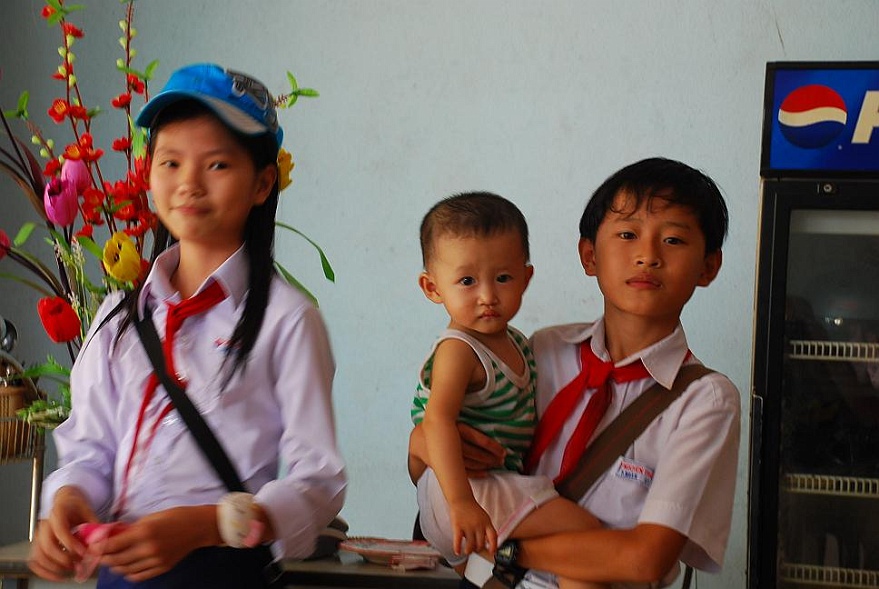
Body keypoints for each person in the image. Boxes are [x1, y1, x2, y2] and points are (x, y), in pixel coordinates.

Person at [29, 63, 346, 588]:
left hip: (223, 572)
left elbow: (320, 480)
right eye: (170, 162)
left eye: (217, 165)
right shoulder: (117, 319)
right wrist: (68, 500)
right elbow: (91, 450)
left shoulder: (287, 321)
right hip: (118, 572)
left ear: (263, 183)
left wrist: (210, 524)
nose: (188, 184)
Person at [409, 158, 741, 588]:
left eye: (674, 239)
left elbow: (643, 560)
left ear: (708, 267)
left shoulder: (705, 400)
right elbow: (426, 459)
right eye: (627, 234)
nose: (647, 256)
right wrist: (423, 442)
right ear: (589, 255)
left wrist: (505, 550)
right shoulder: (541, 352)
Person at [411, 192, 602, 589]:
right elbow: (437, 422)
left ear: (526, 278)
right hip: (467, 492)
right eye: (466, 281)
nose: (487, 296)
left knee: (506, 572)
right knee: (587, 536)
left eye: (502, 278)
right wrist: (461, 502)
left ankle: (485, 572)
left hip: (483, 490)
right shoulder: (459, 350)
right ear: (432, 288)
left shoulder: (517, 342)